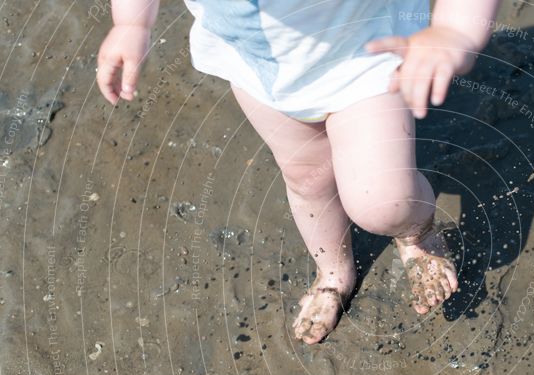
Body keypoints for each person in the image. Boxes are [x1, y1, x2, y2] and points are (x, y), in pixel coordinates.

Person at [97, 0, 500, 344]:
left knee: (382, 202)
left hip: (362, 51)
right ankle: (332, 272)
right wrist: (131, 22)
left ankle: (416, 232)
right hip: (258, 66)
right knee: (307, 177)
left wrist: (454, 30)